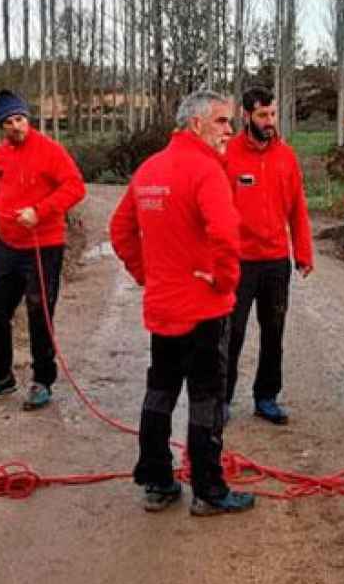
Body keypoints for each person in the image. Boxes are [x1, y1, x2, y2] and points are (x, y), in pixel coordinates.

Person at [109, 90, 255, 517]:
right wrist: (226, 282)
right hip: (205, 309)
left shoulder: (149, 168)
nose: (231, 130)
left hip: (164, 308)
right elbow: (228, 235)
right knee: (206, 399)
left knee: (160, 393)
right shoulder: (206, 171)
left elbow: (119, 231)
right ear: (196, 124)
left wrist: (146, 275)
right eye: (223, 122)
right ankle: (209, 490)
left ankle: (156, 480)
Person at [0, 89, 87, 410]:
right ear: (0, 126)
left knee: (38, 312)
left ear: (28, 118)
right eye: (9, 121)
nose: (17, 125)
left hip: (44, 246)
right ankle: (1, 376)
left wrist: (39, 211)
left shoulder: (50, 151)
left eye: (20, 118)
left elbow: (75, 187)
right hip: (8, 246)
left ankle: (42, 380)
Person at [223, 87, 315, 426]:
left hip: (276, 260)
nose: (270, 122)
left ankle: (266, 396)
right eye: (263, 115)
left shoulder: (285, 157)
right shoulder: (228, 155)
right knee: (231, 333)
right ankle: (222, 398)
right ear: (246, 116)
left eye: (273, 114)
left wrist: (303, 252)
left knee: (273, 331)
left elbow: (298, 208)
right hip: (239, 261)